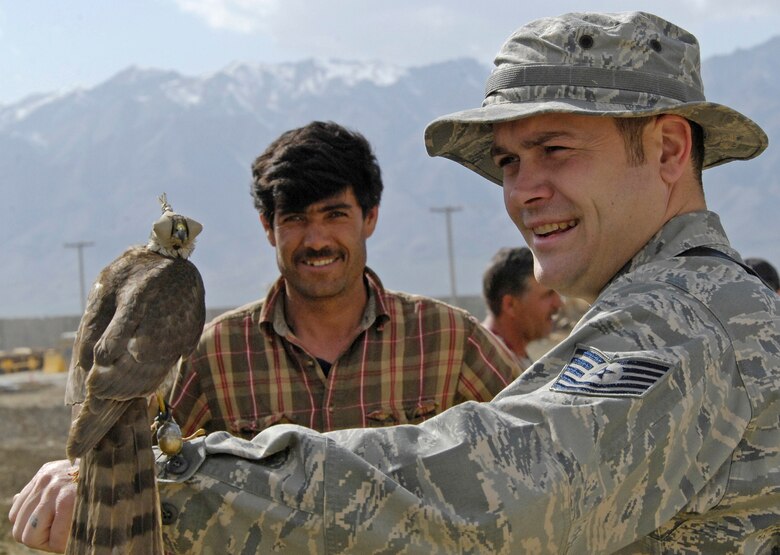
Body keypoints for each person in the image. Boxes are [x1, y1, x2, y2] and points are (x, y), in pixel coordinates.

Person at [12, 11, 780, 554]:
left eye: (555, 149)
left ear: (670, 149)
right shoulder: (672, 306)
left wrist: (175, 489)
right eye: (510, 163)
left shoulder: (689, 319)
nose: (523, 190)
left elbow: (509, 486)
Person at [8, 120, 520, 552]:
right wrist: (79, 476)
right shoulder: (212, 355)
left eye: (335, 215)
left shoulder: (451, 342)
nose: (316, 239)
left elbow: (535, 451)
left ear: (371, 218)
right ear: (267, 228)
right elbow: (141, 453)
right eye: (295, 219)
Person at [481, 246, 563, 366]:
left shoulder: (508, 361)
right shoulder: (485, 365)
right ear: (510, 305)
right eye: (548, 294)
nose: (558, 303)